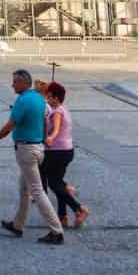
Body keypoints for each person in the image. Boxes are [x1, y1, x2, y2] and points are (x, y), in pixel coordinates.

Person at [0, 68, 65, 244]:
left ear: (24, 83)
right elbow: (45, 121)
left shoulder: (23, 101)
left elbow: (10, 126)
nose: (12, 84)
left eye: (15, 81)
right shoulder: (39, 99)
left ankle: (56, 231)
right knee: (24, 190)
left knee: (37, 191)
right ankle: (18, 225)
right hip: (37, 149)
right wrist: (44, 139)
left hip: (27, 151)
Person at [41, 81, 90, 228]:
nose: (46, 99)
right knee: (58, 183)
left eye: (49, 97)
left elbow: (56, 128)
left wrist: (50, 137)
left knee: (53, 183)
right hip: (67, 151)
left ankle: (79, 209)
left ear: (56, 98)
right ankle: (62, 216)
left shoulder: (56, 113)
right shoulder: (64, 109)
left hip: (57, 152)